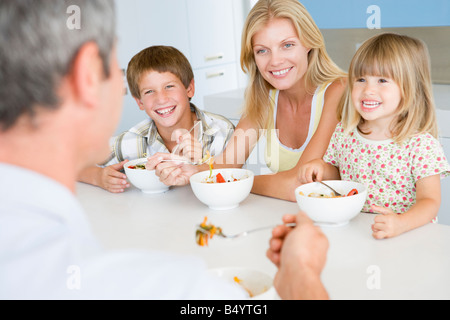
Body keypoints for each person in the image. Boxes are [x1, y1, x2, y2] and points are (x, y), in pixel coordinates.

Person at [0, 0, 329, 300]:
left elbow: (235, 169)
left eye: (287, 45)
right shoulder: (180, 288)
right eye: (114, 68)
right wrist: (300, 268)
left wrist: (211, 174)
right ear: (87, 75)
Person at [146, 0, 347, 201]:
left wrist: (235, 182)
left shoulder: (338, 90)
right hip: (291, 217)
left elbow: (299, 185)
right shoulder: (264, 99)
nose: (275, 61)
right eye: (262, 50)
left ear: (309, 42)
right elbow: (226, 165)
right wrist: (191, 172)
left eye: (287, 45)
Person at [298, 33, 450, 239]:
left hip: (408, 236)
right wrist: (320, 168)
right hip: (358, 232)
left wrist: (401, 223)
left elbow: (430, 202)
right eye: (361, 79)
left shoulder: (420, 145)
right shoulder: (345, 132)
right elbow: (338, 174)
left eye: (382, 80)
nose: (368, 90)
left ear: (409, 88)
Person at [78, 45, 234, 193]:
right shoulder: (133, 140)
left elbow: (235, 181)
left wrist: (200, 164)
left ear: (189, 88)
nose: (161, 99)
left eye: (169, 87)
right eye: (149, 91)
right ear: (139, 102)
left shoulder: (221, 133)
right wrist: (98, 177)